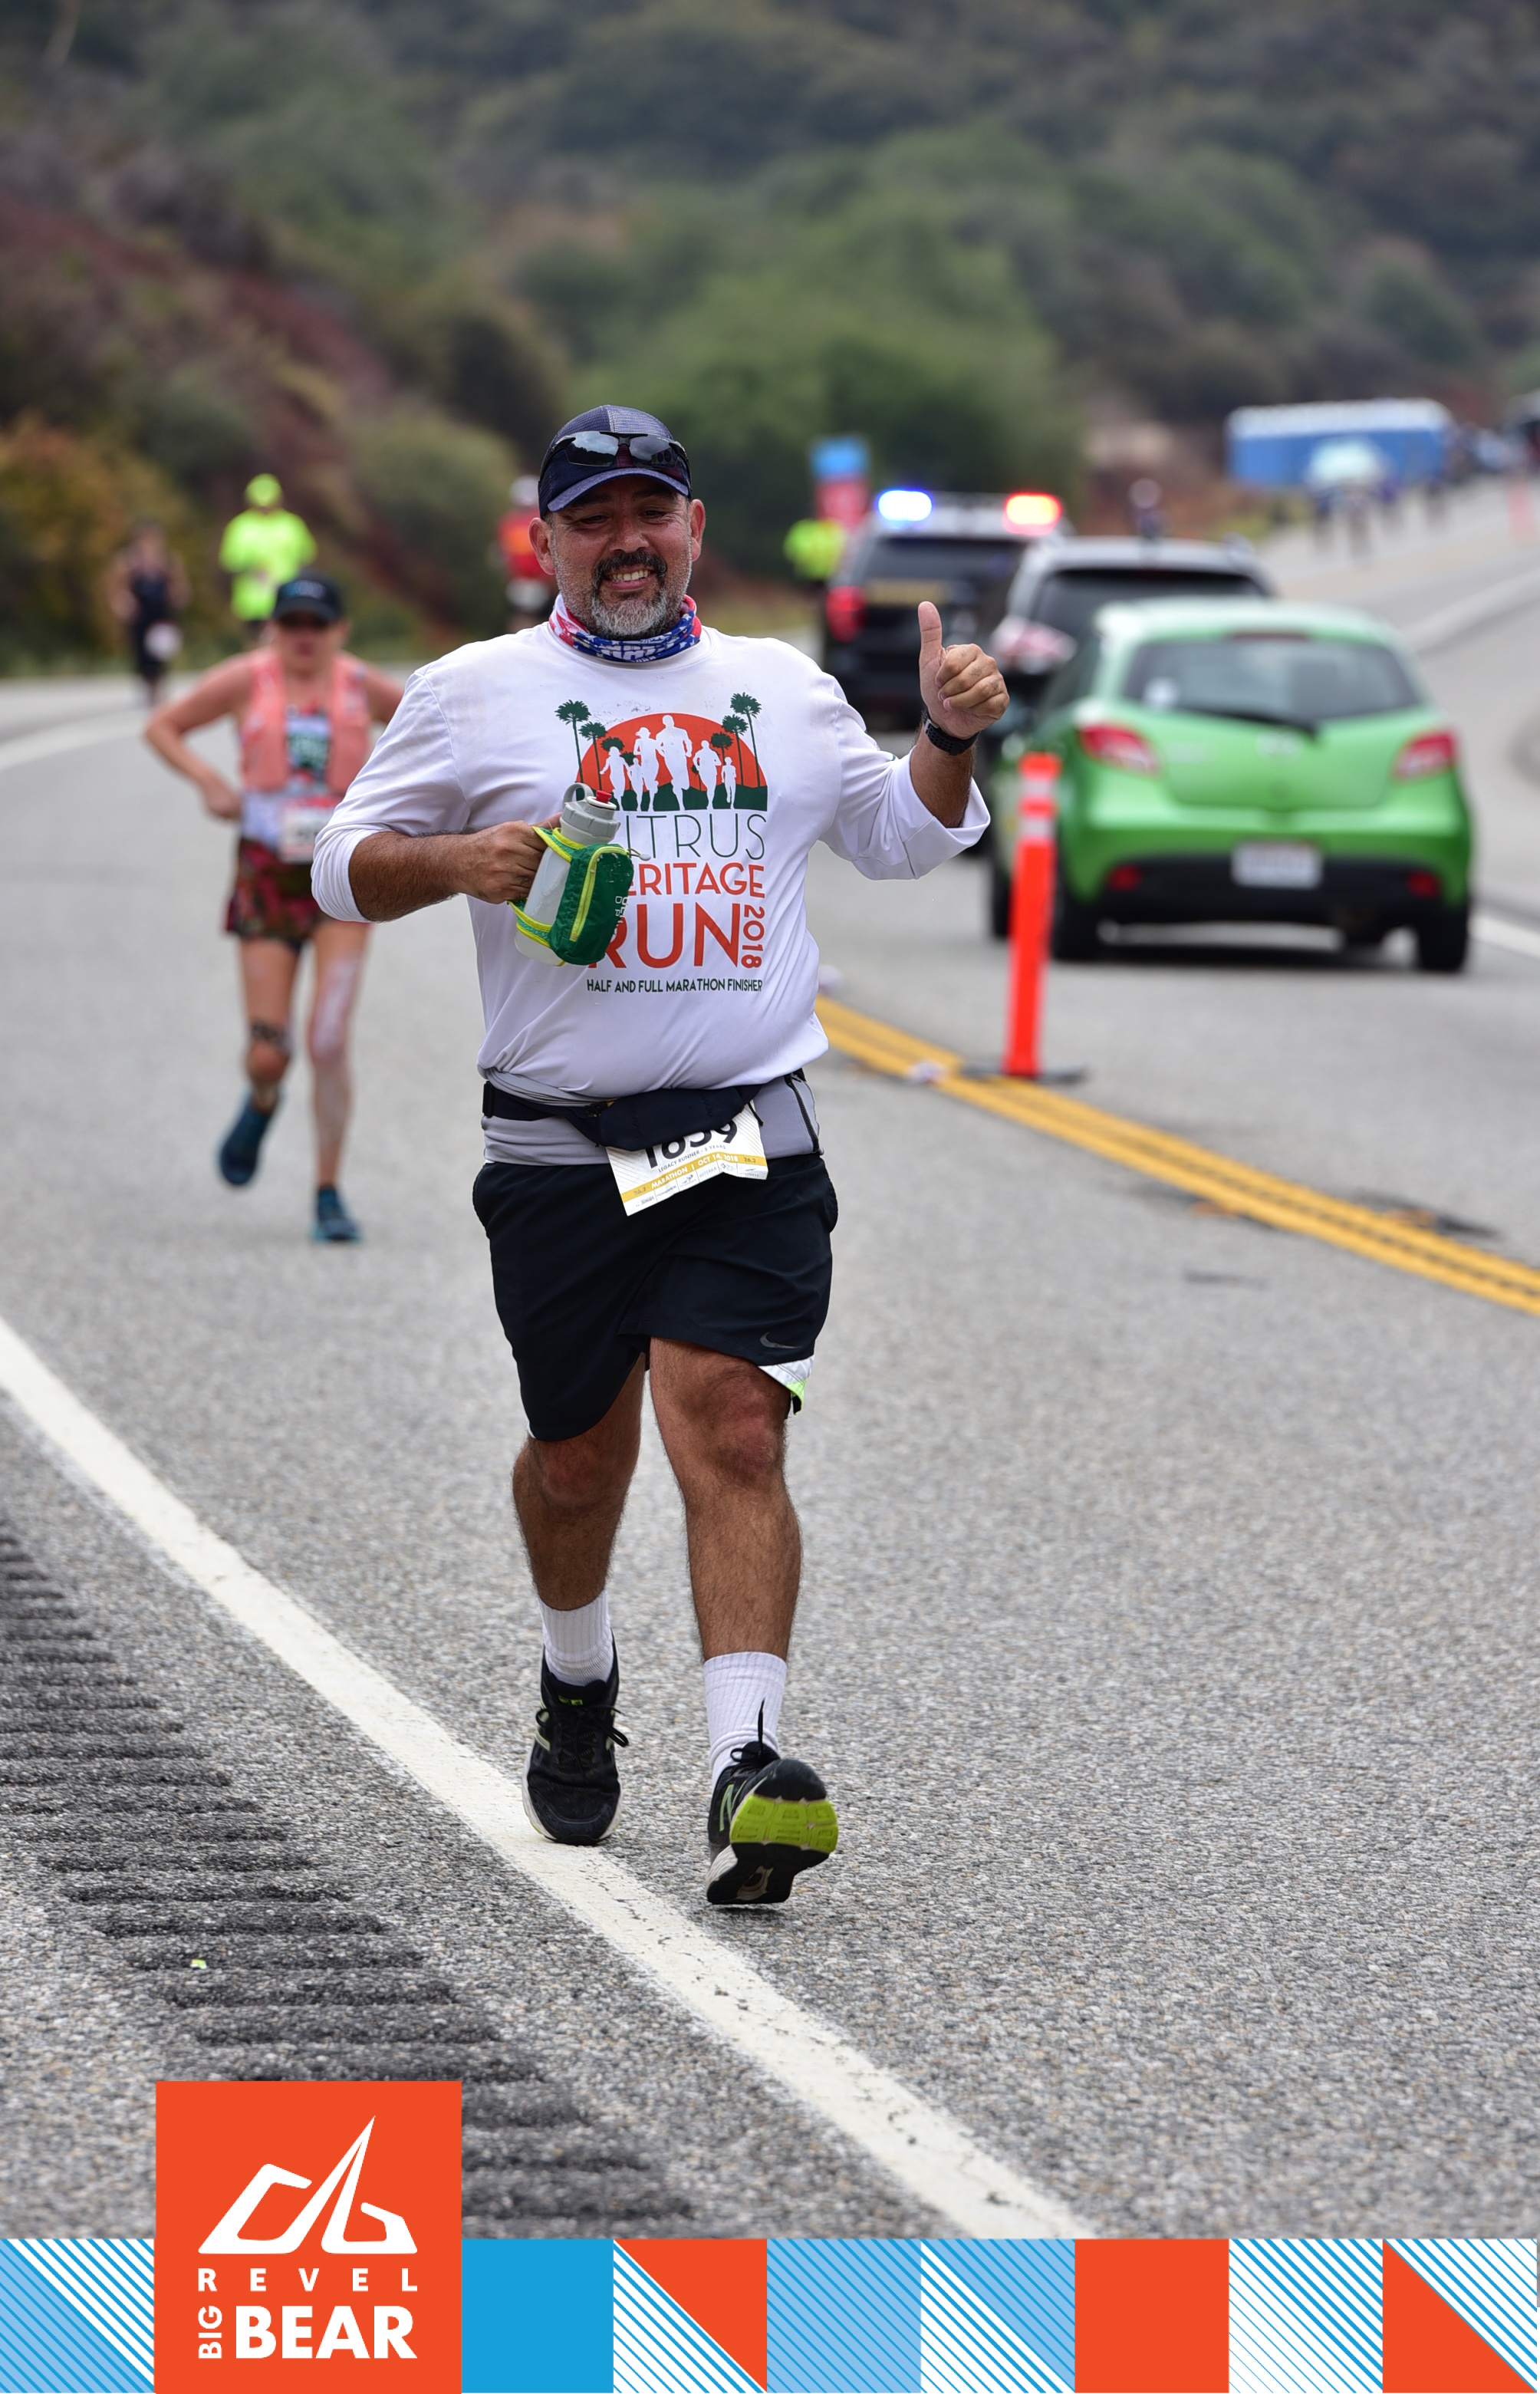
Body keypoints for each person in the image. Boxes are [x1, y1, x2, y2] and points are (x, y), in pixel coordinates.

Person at [311, 403, 1005, 1908]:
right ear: (547, 541)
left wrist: (947, 739)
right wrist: (455, 859)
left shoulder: (781, 688)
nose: (624, 543)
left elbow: (901, 837)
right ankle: (576, 1676)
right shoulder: (471, 694)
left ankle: (746, 1764)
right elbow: (335, 866)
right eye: (593, 520)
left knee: (733, 1426)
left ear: (693, 528)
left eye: (649, 514)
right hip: (556, 1148)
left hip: (741, 1126)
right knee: (577, 1459)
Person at [146, 574, 404, 1242]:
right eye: (292, 623)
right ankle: (262, 1099)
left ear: (340, 629)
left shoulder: (362, 685)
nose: (304, 637)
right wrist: (209, 782)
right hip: (267, 870)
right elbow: (162, 726)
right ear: (273, 629)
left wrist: (397, 808)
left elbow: (432, 737)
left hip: (342, 872)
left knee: (328, 1038)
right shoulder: (245, 678)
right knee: (270, 1053)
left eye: (318, 624)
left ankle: (328, 1191)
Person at [219, 475, 318, 642]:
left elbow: (306, 559)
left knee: (287, 642)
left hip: (288, 598)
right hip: (252, 602)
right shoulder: (240, 527)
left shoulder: (291, 525)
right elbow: (229, 563)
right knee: (256, 645)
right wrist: (251, 569)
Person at [107, 521, 190, 703]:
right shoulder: (129, 560)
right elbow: (116, 587)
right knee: (141, 652)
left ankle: (159, 685)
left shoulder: (168, 560)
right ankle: (148, 684)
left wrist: (178, 597)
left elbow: (180, 586)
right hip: (140, 613)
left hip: (161, 612)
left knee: (161, 650)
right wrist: (122, 604)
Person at [495, 475, 557, 630]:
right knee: (528, 620)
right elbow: (506, 556)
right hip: (525, 582)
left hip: (539, 581)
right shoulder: (509, 524)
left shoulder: (509, 523)